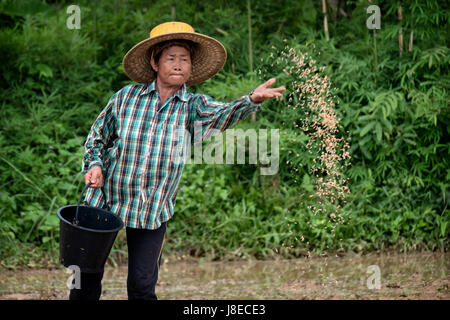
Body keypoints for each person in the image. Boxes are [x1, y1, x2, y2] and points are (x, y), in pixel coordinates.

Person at [71, 21, 285, 300]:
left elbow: (222, 114)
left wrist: (251, 100)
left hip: (152, 206)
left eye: (184, 59)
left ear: (191, 67)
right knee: (85, 279)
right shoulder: (126, 98)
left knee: (141, 286)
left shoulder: (193, 106)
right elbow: (97, 137)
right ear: (154, 61)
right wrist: (95, 165)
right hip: (107, 198)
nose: (178, 65)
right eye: (171, 58)